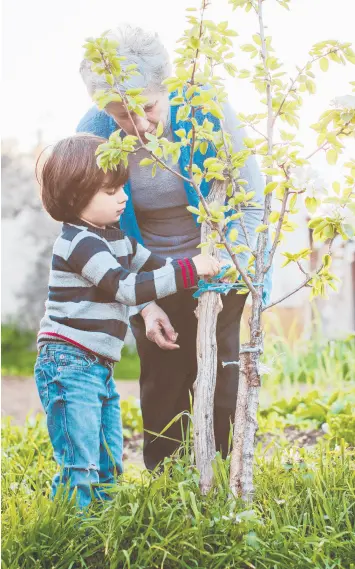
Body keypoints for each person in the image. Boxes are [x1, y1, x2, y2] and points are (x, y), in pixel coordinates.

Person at [78, 24, 273, 471]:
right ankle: (166, 485)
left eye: (146, 106)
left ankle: (221, 474)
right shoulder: (94, 135)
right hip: (150, 272)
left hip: (219, 264)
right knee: (162, 379)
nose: (139, 125)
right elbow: (100, 229)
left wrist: (221, 275)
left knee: (220, 374)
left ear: (165, 86)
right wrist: (145, 303)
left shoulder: (208, 112)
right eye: (122, 115)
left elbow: (248, 207)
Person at [34, 133, 221, 508]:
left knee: (108, 459)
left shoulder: (117, 239)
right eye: (109, 191)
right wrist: (191, 269)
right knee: (81, 460)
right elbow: (127, 288)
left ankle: (100, 522)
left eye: (123, 186)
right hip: (68, 362)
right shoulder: (79, 243)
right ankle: (73, 532)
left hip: (96, 364)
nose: (123, 197)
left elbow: (158, 267)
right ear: (74, 196)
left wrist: (210, 268)